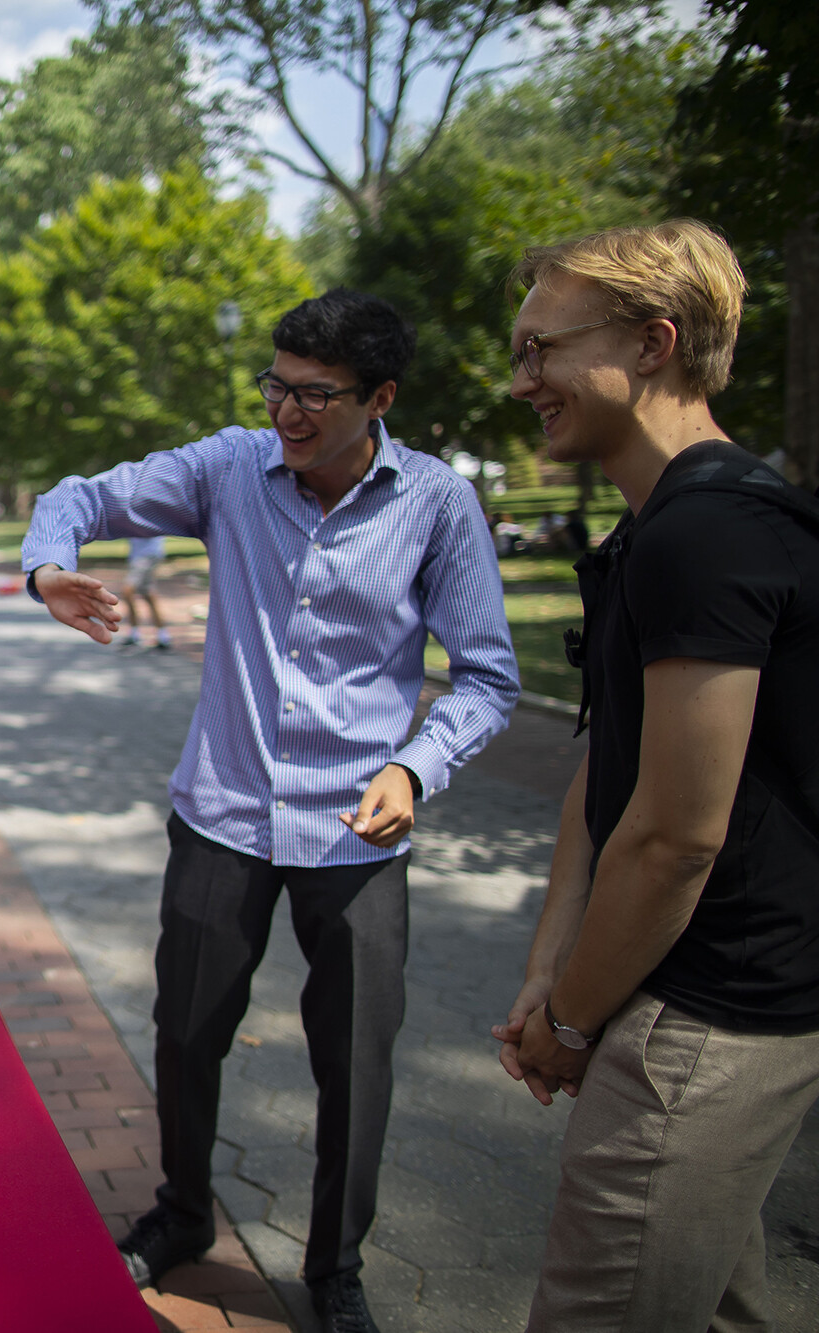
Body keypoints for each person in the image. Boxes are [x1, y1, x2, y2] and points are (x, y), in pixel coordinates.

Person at [24, 289, 518, 1333]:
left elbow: (483, 676)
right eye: (276, 386)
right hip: (223, 816)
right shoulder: (226, 468)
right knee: (185, 1030)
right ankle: (182, 1211)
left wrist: (416, 769)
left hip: (357, 831)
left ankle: (334, 1268)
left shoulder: (435, 504)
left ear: (378, 397)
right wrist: (46, 570)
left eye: (315, 395)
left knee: (353, 1059)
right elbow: (79, 492)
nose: (287, 413)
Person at [490, 221, 819, 1331]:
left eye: (541, 350)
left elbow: (677, 835)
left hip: (707, 1012)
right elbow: (611, 762)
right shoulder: (649, 531)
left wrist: (570, 1025)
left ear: (651, 343)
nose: (518, 379)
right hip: (656, 991)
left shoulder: (711, 530)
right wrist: (550, 970)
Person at [119, 535, 171, 650]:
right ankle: (163, 635)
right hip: (140, 555)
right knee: (148, 594)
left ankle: (134, 634)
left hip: (147, 555)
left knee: (127, 590)